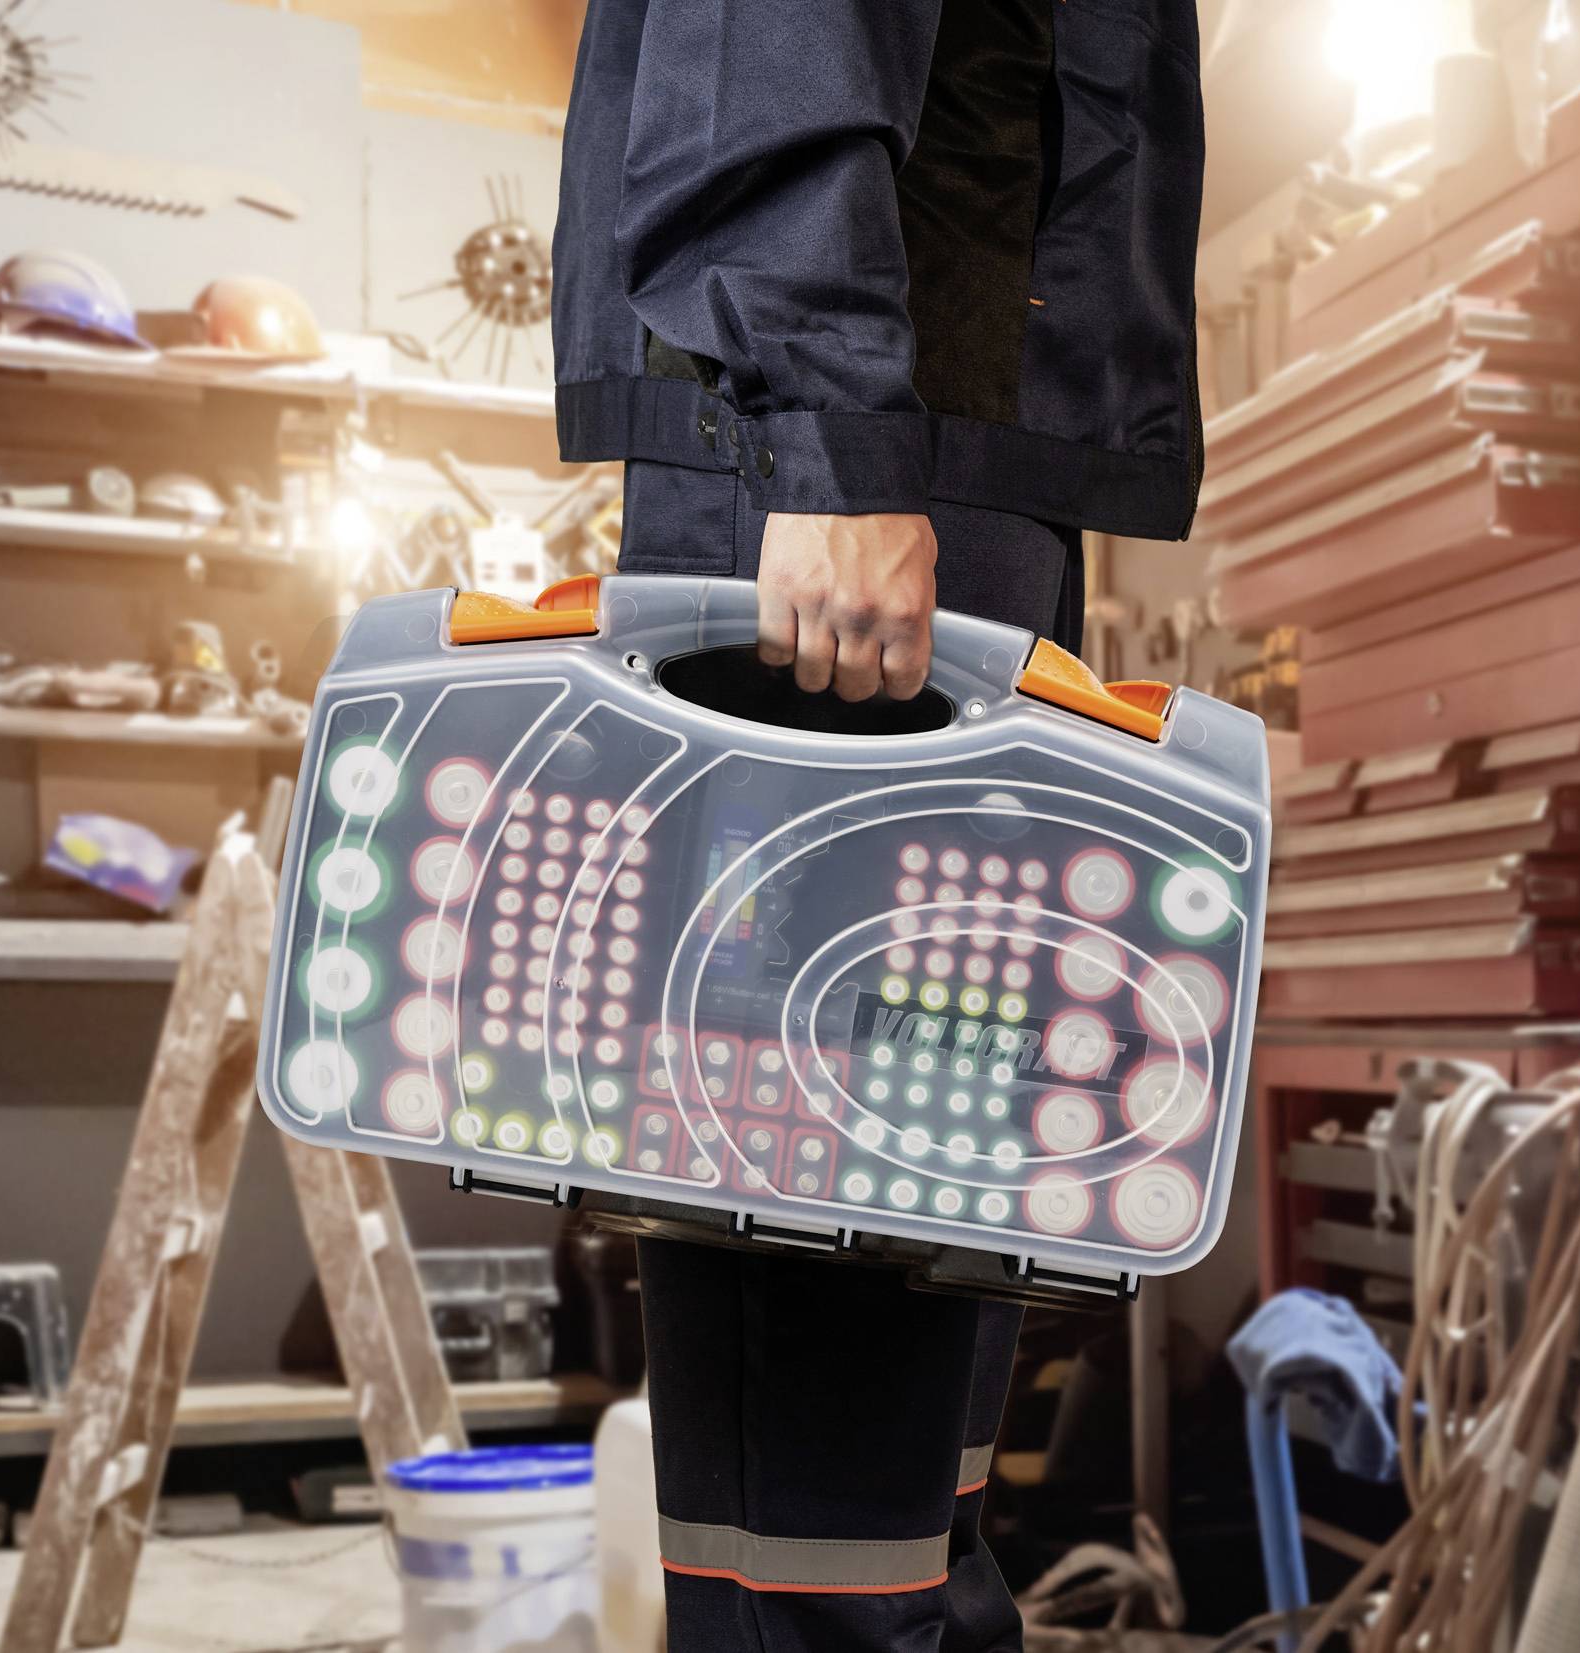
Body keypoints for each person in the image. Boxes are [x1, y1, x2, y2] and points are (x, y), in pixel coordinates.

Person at [551, 2, 1204, 1646]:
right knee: (827, 1294)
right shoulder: (843, 450)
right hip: (859, 470)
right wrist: (828, 446)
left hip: (947, 452)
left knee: (925, 1254)